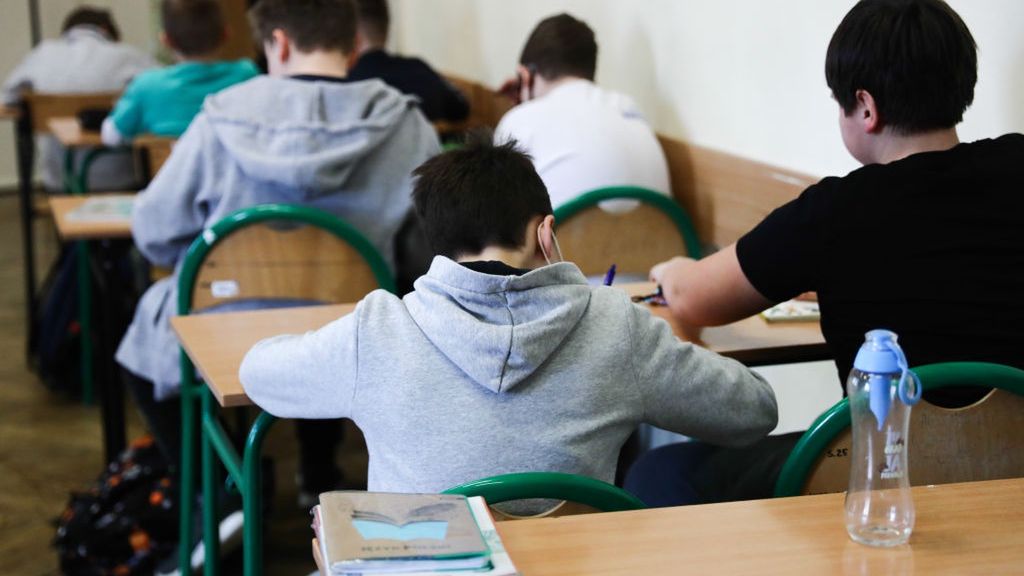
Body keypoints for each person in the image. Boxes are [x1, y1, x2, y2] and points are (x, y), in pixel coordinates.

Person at [630, 0, 1024, 507]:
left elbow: (694, 301)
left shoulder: (834, 212)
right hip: (1013, 473)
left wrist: (672, 270)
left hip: (883, 475)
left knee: (660, 472)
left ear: (865, 106)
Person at [238, 136, 778, 499]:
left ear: (436, 243)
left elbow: (257, 373)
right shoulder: (616, 326)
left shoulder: (379, 330)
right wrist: (684, 337)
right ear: (547, 233)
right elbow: (753, 411)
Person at [114, 0, 439, 501]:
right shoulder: (408, 124)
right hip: (354, 328)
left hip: (227, 323)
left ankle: (217, 489)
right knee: (332, 313)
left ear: (279, 43)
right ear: (354, 46)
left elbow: (155, 230)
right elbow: (428, 250)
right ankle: (319, 472)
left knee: (146, 327)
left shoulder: (220, 117)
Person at [494, 13, 670, 210]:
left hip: (564, 240)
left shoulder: (520, 121)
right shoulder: (632, 111)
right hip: (657, 240)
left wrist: (518, 110)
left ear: (524, 76)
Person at [1, 6, 155, 191]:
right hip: (123, 180)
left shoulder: (43, 53)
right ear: (106, 29)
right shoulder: (128, 55)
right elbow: (167, 89)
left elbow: (7, 96)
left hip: (60, 181)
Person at [100, 0, 260, 146]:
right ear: (227, 34)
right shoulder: (247, 75)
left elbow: (112, 136)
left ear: (165, 40)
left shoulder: (147, 86)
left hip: (168, 175)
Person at [347, 0, 469, 123]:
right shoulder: (420, 70)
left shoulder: (345, 84)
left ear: (352, 37)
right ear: (387, 27)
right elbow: (461, 109)